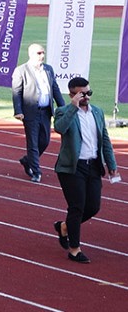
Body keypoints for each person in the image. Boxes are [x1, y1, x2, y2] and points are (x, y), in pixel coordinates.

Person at [52, 77, 118, 264]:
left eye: (89, 92)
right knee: (77, 207)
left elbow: (104, 139)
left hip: (93, 166)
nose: (87, 96)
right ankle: (74, 249)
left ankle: (64, 227)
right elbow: (60, 128)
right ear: (73, 94)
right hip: (72, 168)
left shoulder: (97, 112)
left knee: (93, 207)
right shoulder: (63, 112)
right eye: (83, 94)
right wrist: (72, 107)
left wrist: (111, 164)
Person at [12, 43, 65, 182]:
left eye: (43, 53)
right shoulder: (21, 70)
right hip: (30, 112)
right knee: (33, 143)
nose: (42, 56)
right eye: (39, 53)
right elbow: (17, 92)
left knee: (45, 141)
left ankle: (27, 160)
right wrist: (18, 110)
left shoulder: (48, 69)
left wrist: (63, 107)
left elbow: (55, 88)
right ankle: (36, 171)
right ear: (31, 54)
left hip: (46, 112)